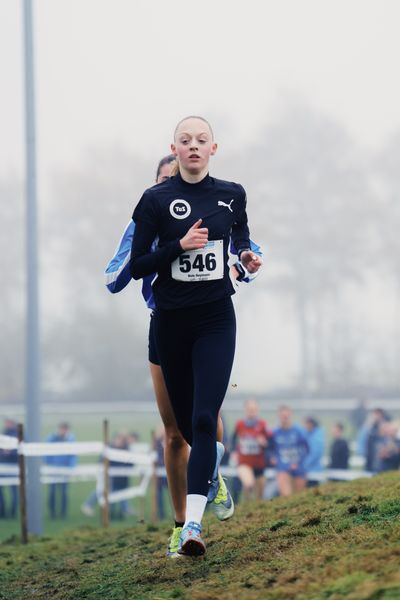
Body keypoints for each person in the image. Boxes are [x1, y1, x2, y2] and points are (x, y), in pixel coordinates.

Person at [105, 151, 262, 556]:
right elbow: (116, 275)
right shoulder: (149, 212)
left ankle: (210, 474)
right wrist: (170, 246)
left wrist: (243, 265)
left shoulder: (216, 205)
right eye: (164, 180)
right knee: (174, 432)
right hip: (165, 324)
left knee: (205, 416)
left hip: (208, 320)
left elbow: (243, 250)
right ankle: (180, 525)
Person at [231, 399, 271, 501]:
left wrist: (264, 442)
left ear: (257, 410)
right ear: (245, 410)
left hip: (259, 464)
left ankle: (255, 511)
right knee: (249, 484)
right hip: (244, 462)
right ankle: (246, 508)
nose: (251, 412)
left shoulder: (263, 424)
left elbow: (271, 443)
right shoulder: (239, 424)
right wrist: (233, 452)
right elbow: (233, 440)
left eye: (253, 409)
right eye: (249, 409)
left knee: (259, 495)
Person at [271, 406, 309, 497]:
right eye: (282, 416)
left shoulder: (299, 431)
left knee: (299, 497)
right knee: (285, 495)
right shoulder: (274, 432)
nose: (285, 418)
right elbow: (269, 448)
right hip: (283, 467)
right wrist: (272, 458)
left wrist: (298, 462)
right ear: (279, 416)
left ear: (290, 415)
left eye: (286, 416)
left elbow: (306, 448)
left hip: (298, 467)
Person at [45, 422, 77, 519]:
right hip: (53, 470)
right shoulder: (51, 438)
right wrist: (49, 466)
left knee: (64, 493)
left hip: (65, 471)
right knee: (52, 492)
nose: (63, 431)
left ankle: (63, 513)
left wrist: (70, 469)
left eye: (65, 429)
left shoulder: (70, 439)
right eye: (61, 429)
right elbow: (46, 453)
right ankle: (52, 512)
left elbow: (73, 455)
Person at [0, 418, 18, 519]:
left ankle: (12, 512)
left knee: (14, 491)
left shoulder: (16, 435)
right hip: (2, 467)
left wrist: (10, 453)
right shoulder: (4, 434)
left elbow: (19, 451)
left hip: (13, 467)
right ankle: (2, 512)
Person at [303, 417, 325, 487]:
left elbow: (315, 454)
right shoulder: (310, 435)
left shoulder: (317, 438)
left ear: (311, 424)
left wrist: (304, 465)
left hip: (314, 472)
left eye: (306, 424)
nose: (305, 426)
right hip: (309, 471)